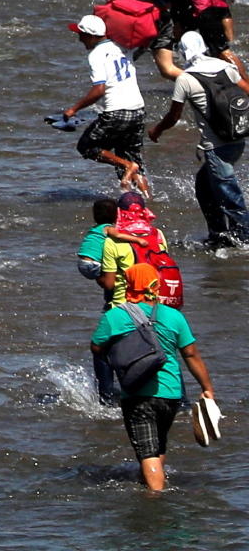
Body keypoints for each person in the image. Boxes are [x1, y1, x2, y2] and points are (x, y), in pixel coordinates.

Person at [94, 259, 215, 493]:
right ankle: (150, 483)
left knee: (147, 452)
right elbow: (191, 355)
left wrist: (119, 354)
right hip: (171, 394)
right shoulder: (173, 317)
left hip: (137, 394)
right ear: (155, 285)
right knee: (157, 446)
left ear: (129, 285)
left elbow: (97, 347)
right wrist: (206, 387)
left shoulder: (115, 316)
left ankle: (155, 500)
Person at [152, 30, 249, 249]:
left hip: (215, 146)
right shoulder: (226, 68)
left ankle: (244, 241)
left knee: (230, 196)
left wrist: (156, 130)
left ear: (183, 53)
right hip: (237, 138)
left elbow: (173, 116)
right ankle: (219, 235)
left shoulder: (185, 79)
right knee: (204, 186)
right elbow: (247, 90)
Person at [61, 11, 149, 187]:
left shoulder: (96, 55)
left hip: (117, 111)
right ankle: (145, 200)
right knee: (132, 158)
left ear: (91, 36)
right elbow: (144, 44)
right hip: (138, 111)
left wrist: (73, 109)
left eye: (81, 35)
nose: (79, 39)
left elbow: (99, 90)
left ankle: (127, 165)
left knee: (86, 147)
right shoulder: (123, 46)